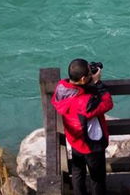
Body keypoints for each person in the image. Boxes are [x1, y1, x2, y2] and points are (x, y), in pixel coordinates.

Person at [51, 58, 113, 195]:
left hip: (75, 140)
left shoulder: (61, 88)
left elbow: (76, 91)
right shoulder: (86, 102)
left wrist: (86, 82)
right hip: (91, 145)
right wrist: (97, 82)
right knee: (97, 178)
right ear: (84, 79)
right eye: (90, 74)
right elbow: (107, 103)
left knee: (78, 171)